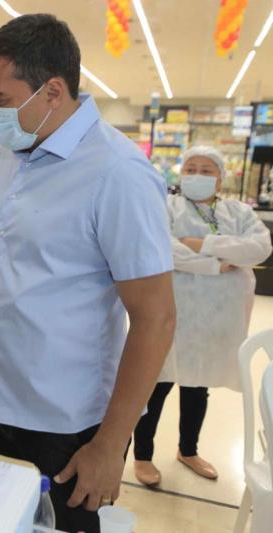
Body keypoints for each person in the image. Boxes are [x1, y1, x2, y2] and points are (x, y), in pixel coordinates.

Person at [0, 14, 176, 532]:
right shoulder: (17, 150)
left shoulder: (116, 173)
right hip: (3, 399)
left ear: (52, 90)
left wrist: (109, 445)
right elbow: (12, 263)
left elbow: (156, 318)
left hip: (68, 422)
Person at [133, 146, 272, 487]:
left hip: (216, 317)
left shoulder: (238, 211)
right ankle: (143, 456)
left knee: (198, 385)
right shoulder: (167, 207)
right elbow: (164, 247)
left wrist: (200, 243)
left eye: (207, 170)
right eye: (191, 168)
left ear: (221, 178)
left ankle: (188, 450)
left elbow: (259, 247)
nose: (197, 175)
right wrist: (214, 263)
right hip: (172, 309)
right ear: (180, 175)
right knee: (158, 383)